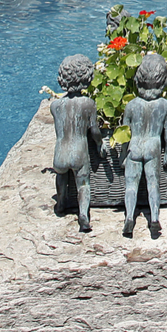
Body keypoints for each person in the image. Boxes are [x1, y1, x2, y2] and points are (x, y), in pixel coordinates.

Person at [122, 52, 167, 239]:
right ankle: (154, 218)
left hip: (134, 145)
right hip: (153, 145)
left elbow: (124, 133)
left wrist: (122, 155)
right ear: (164, 81)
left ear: (137, 80)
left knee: (131, 185)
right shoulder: (164, 105)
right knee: (153, 183)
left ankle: (129, 217)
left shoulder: (131, 105)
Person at [49, 55, 101, 231]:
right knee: (83, 184)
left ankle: (61, 203)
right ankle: (83, 214)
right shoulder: (88, 104)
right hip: (79, 151)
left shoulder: (55, 106)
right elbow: (94, 131)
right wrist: (99, 144)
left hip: (60, 152)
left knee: (61, 176)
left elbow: (59, 129)